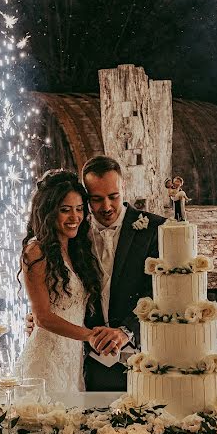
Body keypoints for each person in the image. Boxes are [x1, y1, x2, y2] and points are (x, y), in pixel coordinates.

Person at [15, 169, 106, 392]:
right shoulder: (36, 251)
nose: (75, 217)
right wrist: (90, 336)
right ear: (48, 211)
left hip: (72, 358)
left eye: (79, 209)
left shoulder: (76, 249)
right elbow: (43, 317)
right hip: (46, 360)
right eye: (65, 210)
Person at [81, 156, 166, 391]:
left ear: (123, 187)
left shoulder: (156, 229)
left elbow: (161, 292)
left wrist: (127, 331)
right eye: (96, 199)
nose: (106, 207)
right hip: (87, 359)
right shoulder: (74, 233)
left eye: (113, 196)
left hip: (142, 358)